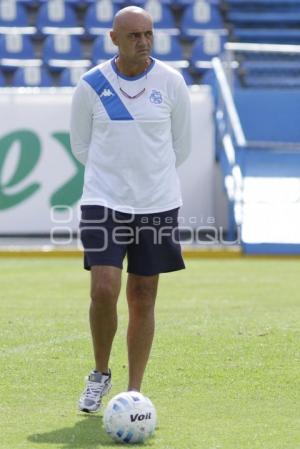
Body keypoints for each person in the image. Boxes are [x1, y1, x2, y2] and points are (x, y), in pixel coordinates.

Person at [70, 5, 191, 413]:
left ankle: (133, 393)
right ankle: (100, 374)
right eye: (134, 35)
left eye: (148, 34)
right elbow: (81, 147)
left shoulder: (172, 83)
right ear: (115, 39)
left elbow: (182, 145)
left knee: (142, 295)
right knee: (104, 288)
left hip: (157, 204)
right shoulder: (91, 85)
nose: (143, 42)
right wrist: (116, 180)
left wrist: (147, 183)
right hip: (104, 200)